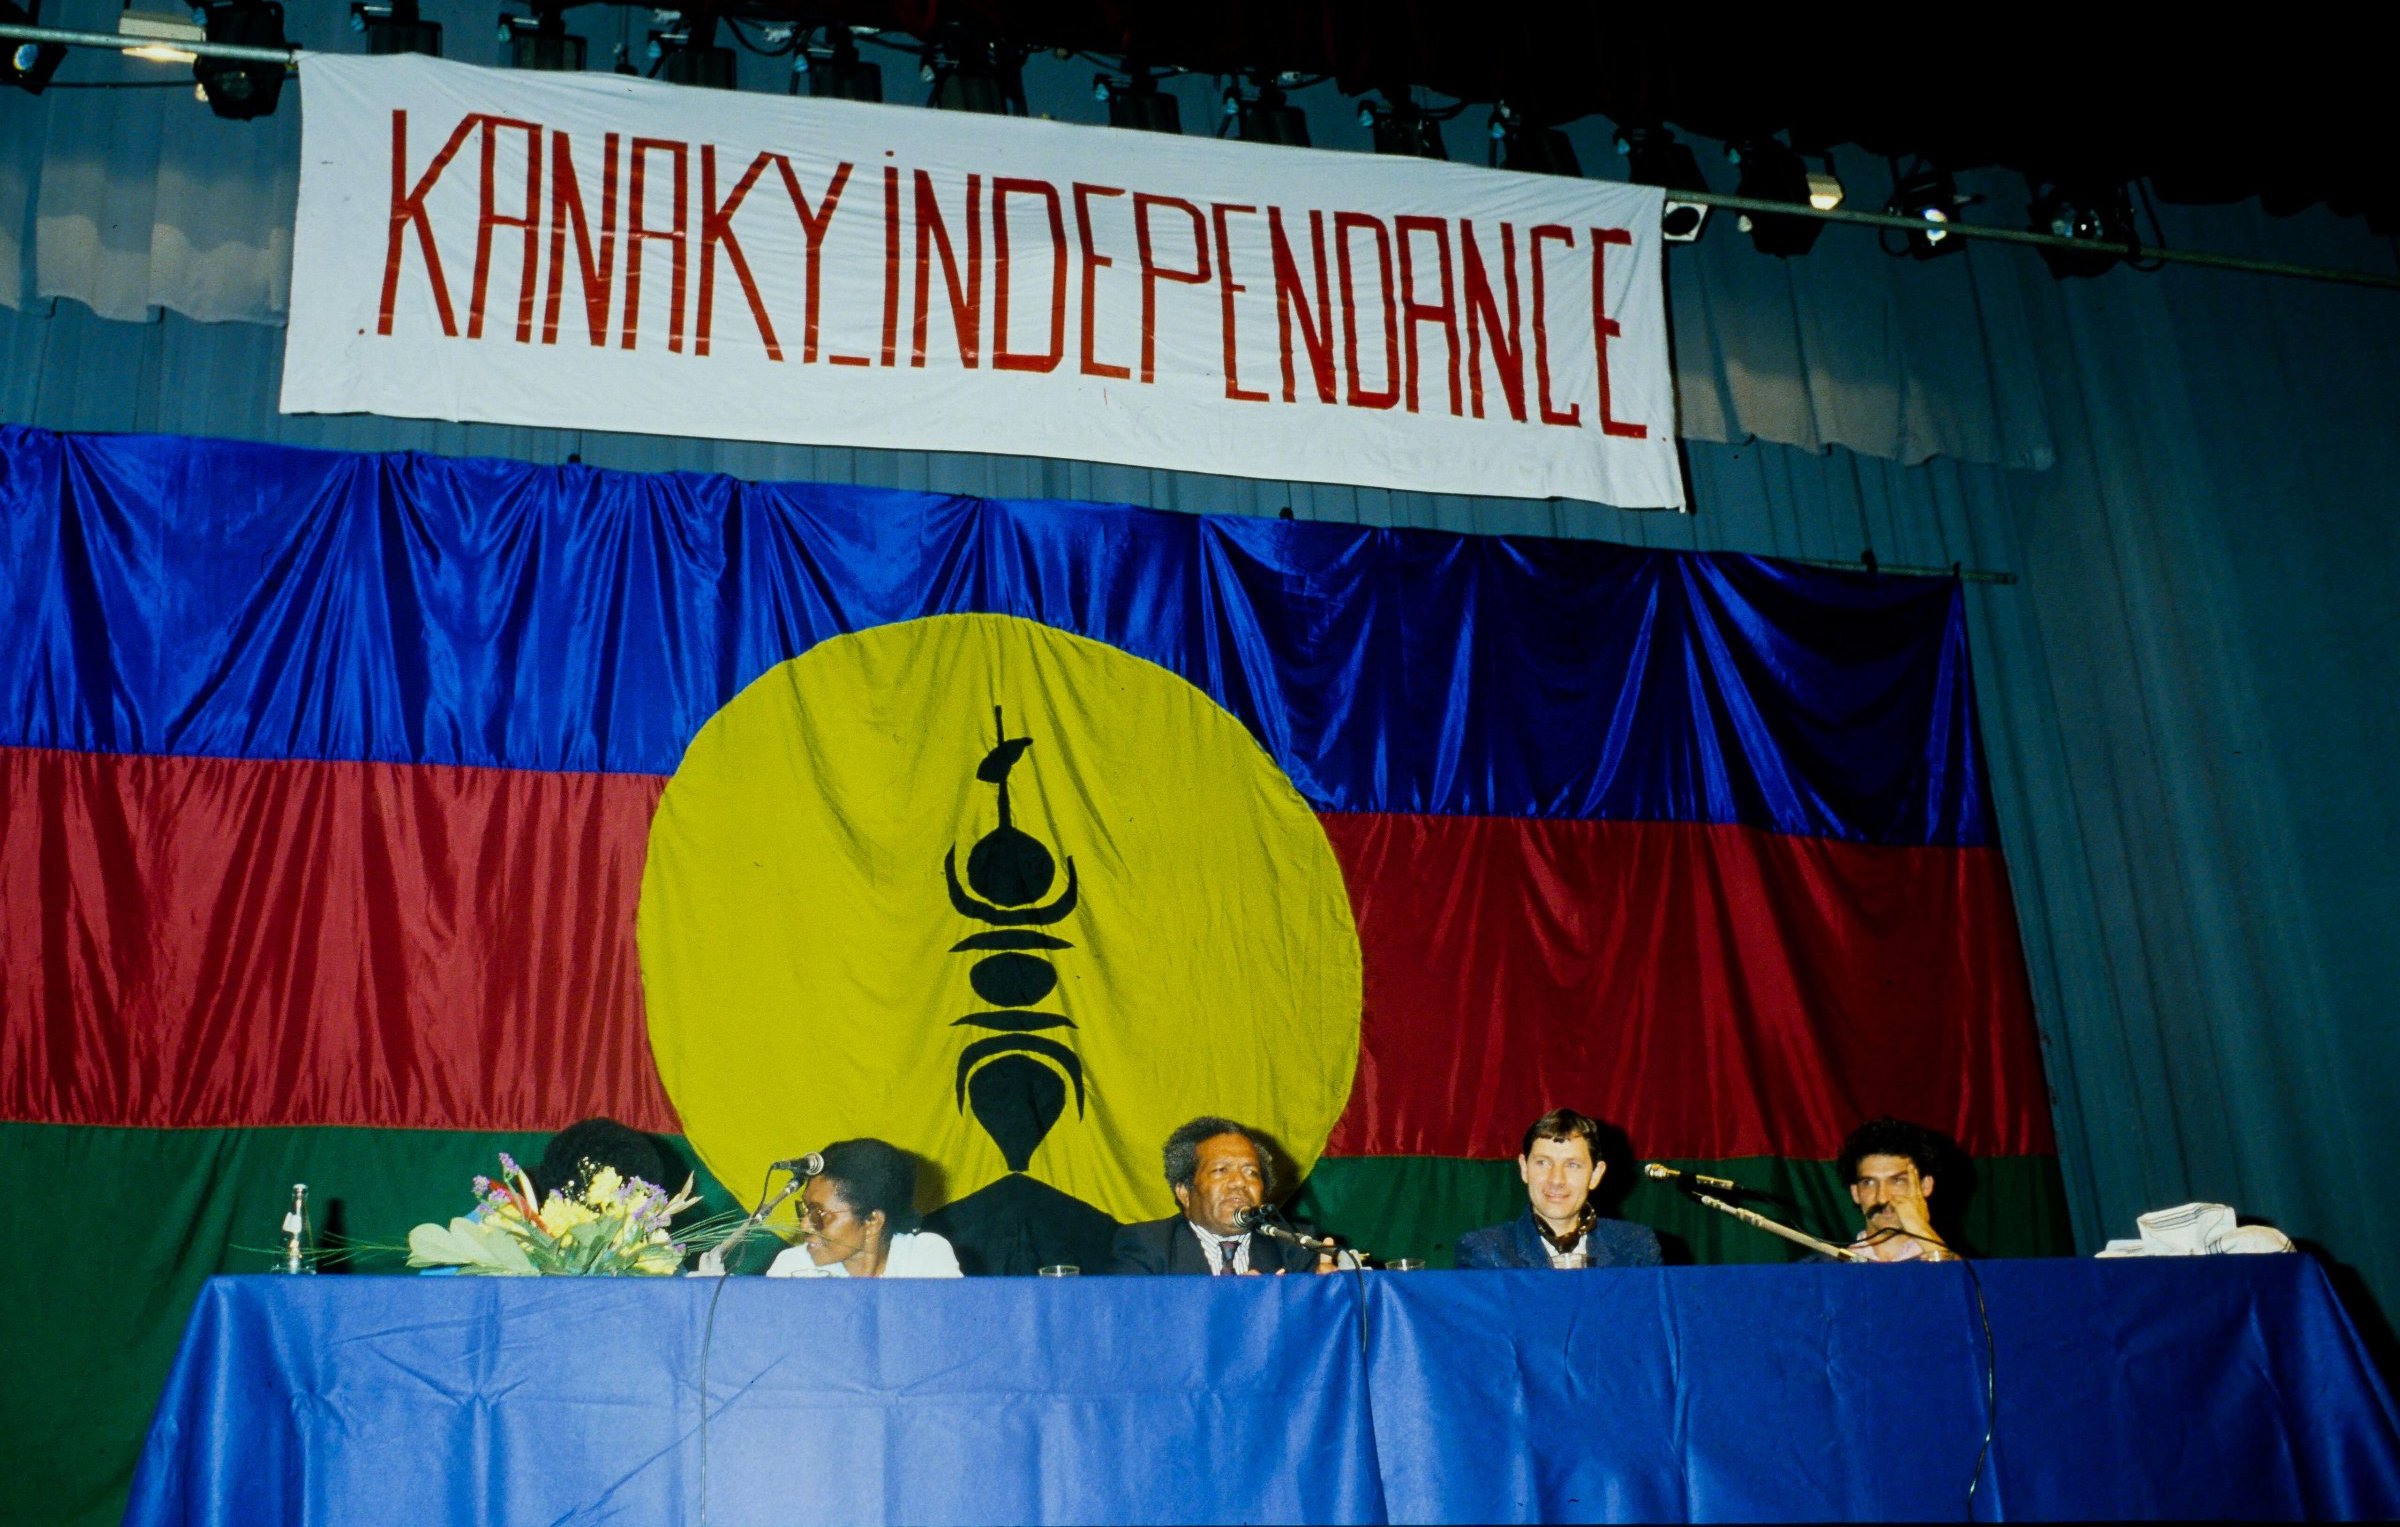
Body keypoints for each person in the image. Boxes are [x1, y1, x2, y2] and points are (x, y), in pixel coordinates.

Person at [1109, 1116, 1327, 1275]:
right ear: (1184, 1192)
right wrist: (1232, 1306)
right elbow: (1133, 1326)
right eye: (1221, 1170)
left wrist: (1330, 1296)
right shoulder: (1147, 1246)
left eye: (1251, 1172)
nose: (1239, 1182)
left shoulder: (1295, 1244)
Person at [1453, 1107, 1662, 1270]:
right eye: (1543, 1163)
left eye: (1573, 1165)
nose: (1556, 1179)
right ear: (1524, 1169)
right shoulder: (1485, 1251)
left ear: (1596, 1174)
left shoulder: (1636, 1247)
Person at [765, 1138, 962, 1279]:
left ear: (872, 1221)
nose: (805, 1225)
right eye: (805, 1209)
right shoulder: (794, 1267)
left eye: (819, 1213)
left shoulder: (923, 1256)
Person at [1838, 1116, 1956, 1263]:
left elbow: (1971, 1284)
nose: (1882, 1198)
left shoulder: (1960, 1266)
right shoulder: (1823, 1269)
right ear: (1855, 1192)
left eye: (1897, 1181)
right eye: (1868, 1182)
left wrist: (1924, 1233)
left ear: (1925, 1185)